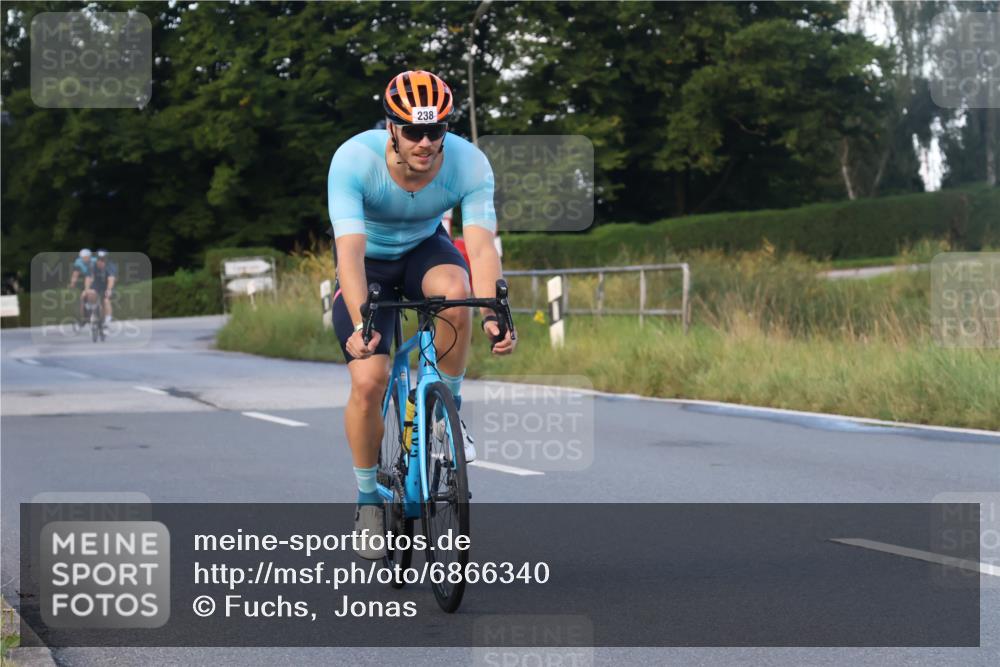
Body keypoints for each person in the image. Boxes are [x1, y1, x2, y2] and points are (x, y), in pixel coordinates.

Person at [328, 70, 515, 559]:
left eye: (437, 131)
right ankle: (369, 497)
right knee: (370, 378)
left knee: (457, 291)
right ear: (391, 127)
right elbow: (348, 251)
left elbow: (479, 243)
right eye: (413, 131)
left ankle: (444, 415)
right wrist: (362, 321)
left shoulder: (469, 164)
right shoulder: (353, 159)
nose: (426, 142)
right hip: (368, 263)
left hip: (424, 252)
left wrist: (495, 305)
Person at [86, 250, 118, 325]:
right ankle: (93, 312)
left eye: (103, 259)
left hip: (107, 286)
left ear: (106, 259)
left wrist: (109, 290)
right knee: (91, 294)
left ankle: (108, 319)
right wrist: (87, 289)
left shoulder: (110, 266)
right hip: (97, 285)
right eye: (99, 259)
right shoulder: (92, 265)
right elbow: (89, 278)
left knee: (106, 300)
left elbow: (111, 279)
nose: (100, 261)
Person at [67, 249, 94, 329]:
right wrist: (72, 284)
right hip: (85, 281)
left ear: (90, 256)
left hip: (95, 279)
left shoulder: (94, 261)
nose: (84, 259)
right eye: (83, 257)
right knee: (82, 299)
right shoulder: (78, 262)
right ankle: (84, 318)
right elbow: (75, 274)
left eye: (86, 257)